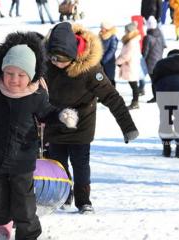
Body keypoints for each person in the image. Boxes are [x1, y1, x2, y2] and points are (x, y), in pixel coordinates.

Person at [0, 31, 78, 240]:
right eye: (9, 73)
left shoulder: (35, 95)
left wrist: (62, 115)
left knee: (24, 201)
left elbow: (47, 112)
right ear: (2, 71)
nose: (14, 80)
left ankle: (28, 234)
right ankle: (2, 223)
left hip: (22, 158)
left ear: (31, 75)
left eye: (21, 75)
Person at [44, 22, 139, 214]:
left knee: (80, 164)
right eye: (53, 59)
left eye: (60, 60)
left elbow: (112, 97)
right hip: (55, 120)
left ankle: (83, 201)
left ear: (73, 55)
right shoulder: (47, 63)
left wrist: (128, 127)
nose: (56, 63)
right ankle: (64, 195)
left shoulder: (90, 70)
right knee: (57, 164)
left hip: (81, 123)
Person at [116, 22, 142, 110]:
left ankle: (135, 102)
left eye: (126, 30)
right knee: (133, 85)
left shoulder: (132, 42)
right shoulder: (131, 40)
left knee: (134, 85)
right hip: (130, 65)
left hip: (130, 66)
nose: (124, 31)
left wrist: (118, 61)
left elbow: (127, 55)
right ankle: (135, 101)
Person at [143, 16, 167, 103]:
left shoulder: (148, 37)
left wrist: (142, 62)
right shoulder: (160, 33)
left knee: (154, 81)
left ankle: (156, 97)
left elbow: (145, 52)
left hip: (150, 63)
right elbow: (164, 45)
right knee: (158, 80)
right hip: (160, 60)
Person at [99, 20, 119, 87]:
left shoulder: (112, 37)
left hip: (109, 62)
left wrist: (104, 60)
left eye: (102, 27)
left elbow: (112, 50)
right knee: (101, 79)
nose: (101, 29)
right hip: (100, 61)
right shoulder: (100, 36)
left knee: (110, 79)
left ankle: (113, 95)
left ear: (107, 28)